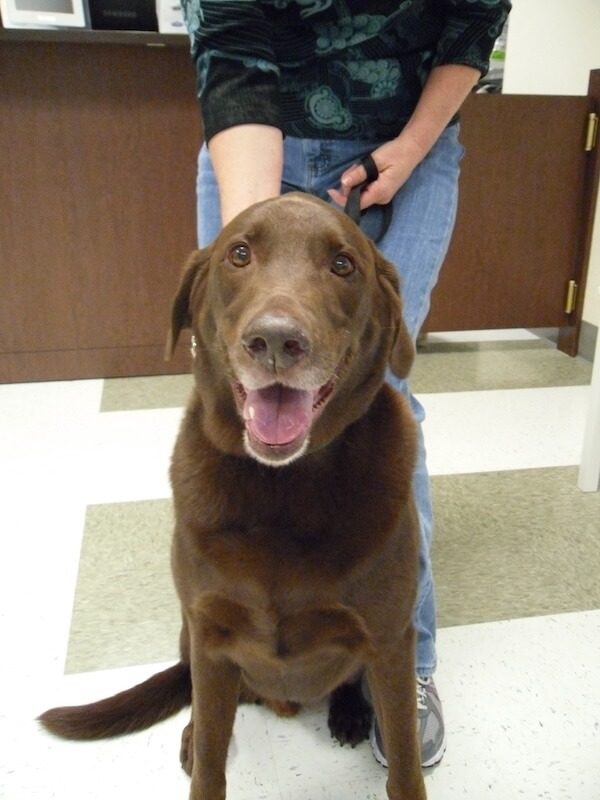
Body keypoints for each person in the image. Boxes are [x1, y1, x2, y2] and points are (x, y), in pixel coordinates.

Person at [180, 0, 511, 770]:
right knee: (243, 385)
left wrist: (412, 147)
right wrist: (260, 263)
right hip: (256, 132)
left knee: (384, 394)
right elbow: (230, 36)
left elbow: (471, 23)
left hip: (410, 150)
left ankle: (404, 658)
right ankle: (251, 635)